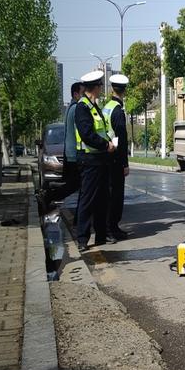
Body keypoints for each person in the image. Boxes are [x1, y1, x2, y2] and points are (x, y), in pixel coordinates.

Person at [74, 70, 116, 251]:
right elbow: (87, 135)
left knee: (102, 199)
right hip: (89, 160)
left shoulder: (94, 106)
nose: (101, 89)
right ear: (95, 88)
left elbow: (102, 130)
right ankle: (82, 239)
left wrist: (110, 142)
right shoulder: (82, 107)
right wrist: (105, 145)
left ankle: (101, 234)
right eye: (100, 86)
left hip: (100, 160)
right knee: (88, 199)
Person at [36, 82, 84, 213]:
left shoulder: (70, 107)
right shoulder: (76, 109)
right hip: (74, 154)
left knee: (74, 184)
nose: (84, 96)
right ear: (76, 94)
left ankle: (49, 193)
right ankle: (48, 195)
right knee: (76, 185)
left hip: (69, 152)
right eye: (82, 93)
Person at [102, 74, 130, 240]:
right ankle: (111, 228)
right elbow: (122, 139)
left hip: (106, 156)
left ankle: (112, 227)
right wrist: (124, 163)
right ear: (124, 90)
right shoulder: (118, 111)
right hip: (115, 159)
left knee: (109, 195)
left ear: (113, 89)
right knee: (116, 196)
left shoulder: (107, 107)